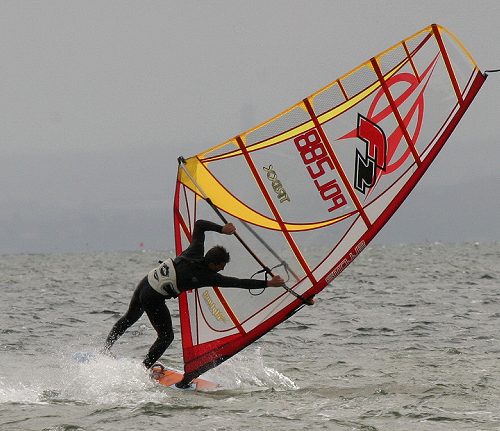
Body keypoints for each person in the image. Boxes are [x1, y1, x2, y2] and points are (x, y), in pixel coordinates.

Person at [103, 219, 284, 387]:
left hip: (147, 282)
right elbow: (238, 283)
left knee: (130, 317)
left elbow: (199, 225)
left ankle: (105, 349)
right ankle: (142, 371)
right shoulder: (208, 276)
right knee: (166, 337)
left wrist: (222, 229)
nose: (223, 269)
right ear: (214, 264)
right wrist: (268, 283)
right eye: (222, 265)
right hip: (153, 296)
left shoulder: (196, 249)